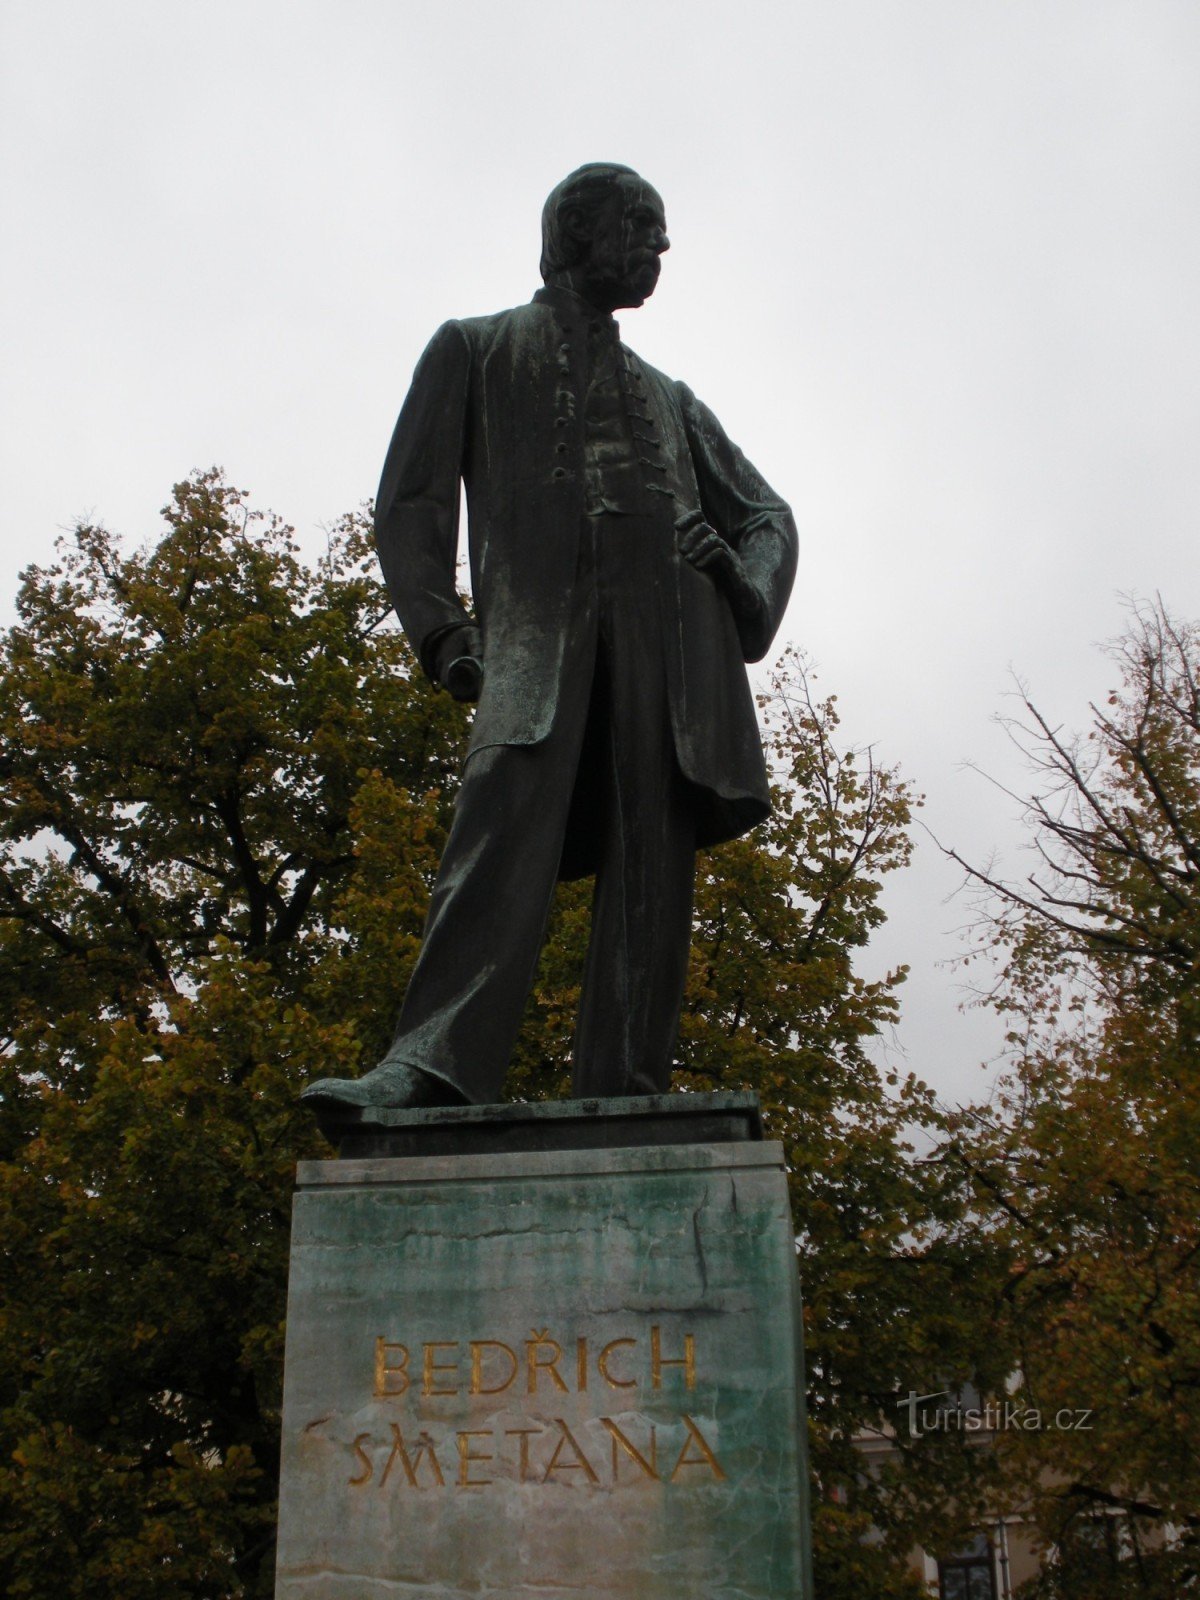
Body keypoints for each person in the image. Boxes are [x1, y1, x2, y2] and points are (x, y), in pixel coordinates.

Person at [302, 163, 796, 1122]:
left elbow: (768, 514)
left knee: (653, 862)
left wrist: (739, 582)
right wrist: (444, 632)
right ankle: (429, 1063)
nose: (660, 250)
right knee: (498, 832)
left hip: (674, 653)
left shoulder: (673, 398)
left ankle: (630, 1086)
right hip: (536, 641)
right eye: (644, 228)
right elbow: (410, 504)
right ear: (580, 230)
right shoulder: (476, 349)